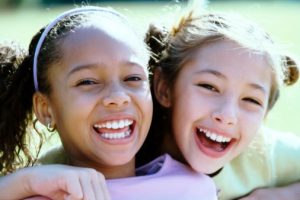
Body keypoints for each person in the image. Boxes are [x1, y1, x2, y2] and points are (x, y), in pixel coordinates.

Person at [0, 6, 217, 200]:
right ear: (45, 108)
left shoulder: (193, 189)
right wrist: (26, 182)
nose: (118, 96)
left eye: (133, 78)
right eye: (87, 81)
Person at [137, 11, 300, 200]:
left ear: (265, 114)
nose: (227, 115)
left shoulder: (264, 155)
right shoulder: (125, 150)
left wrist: (280, 195)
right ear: (165, 88)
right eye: (209, 87)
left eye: (251, 100)